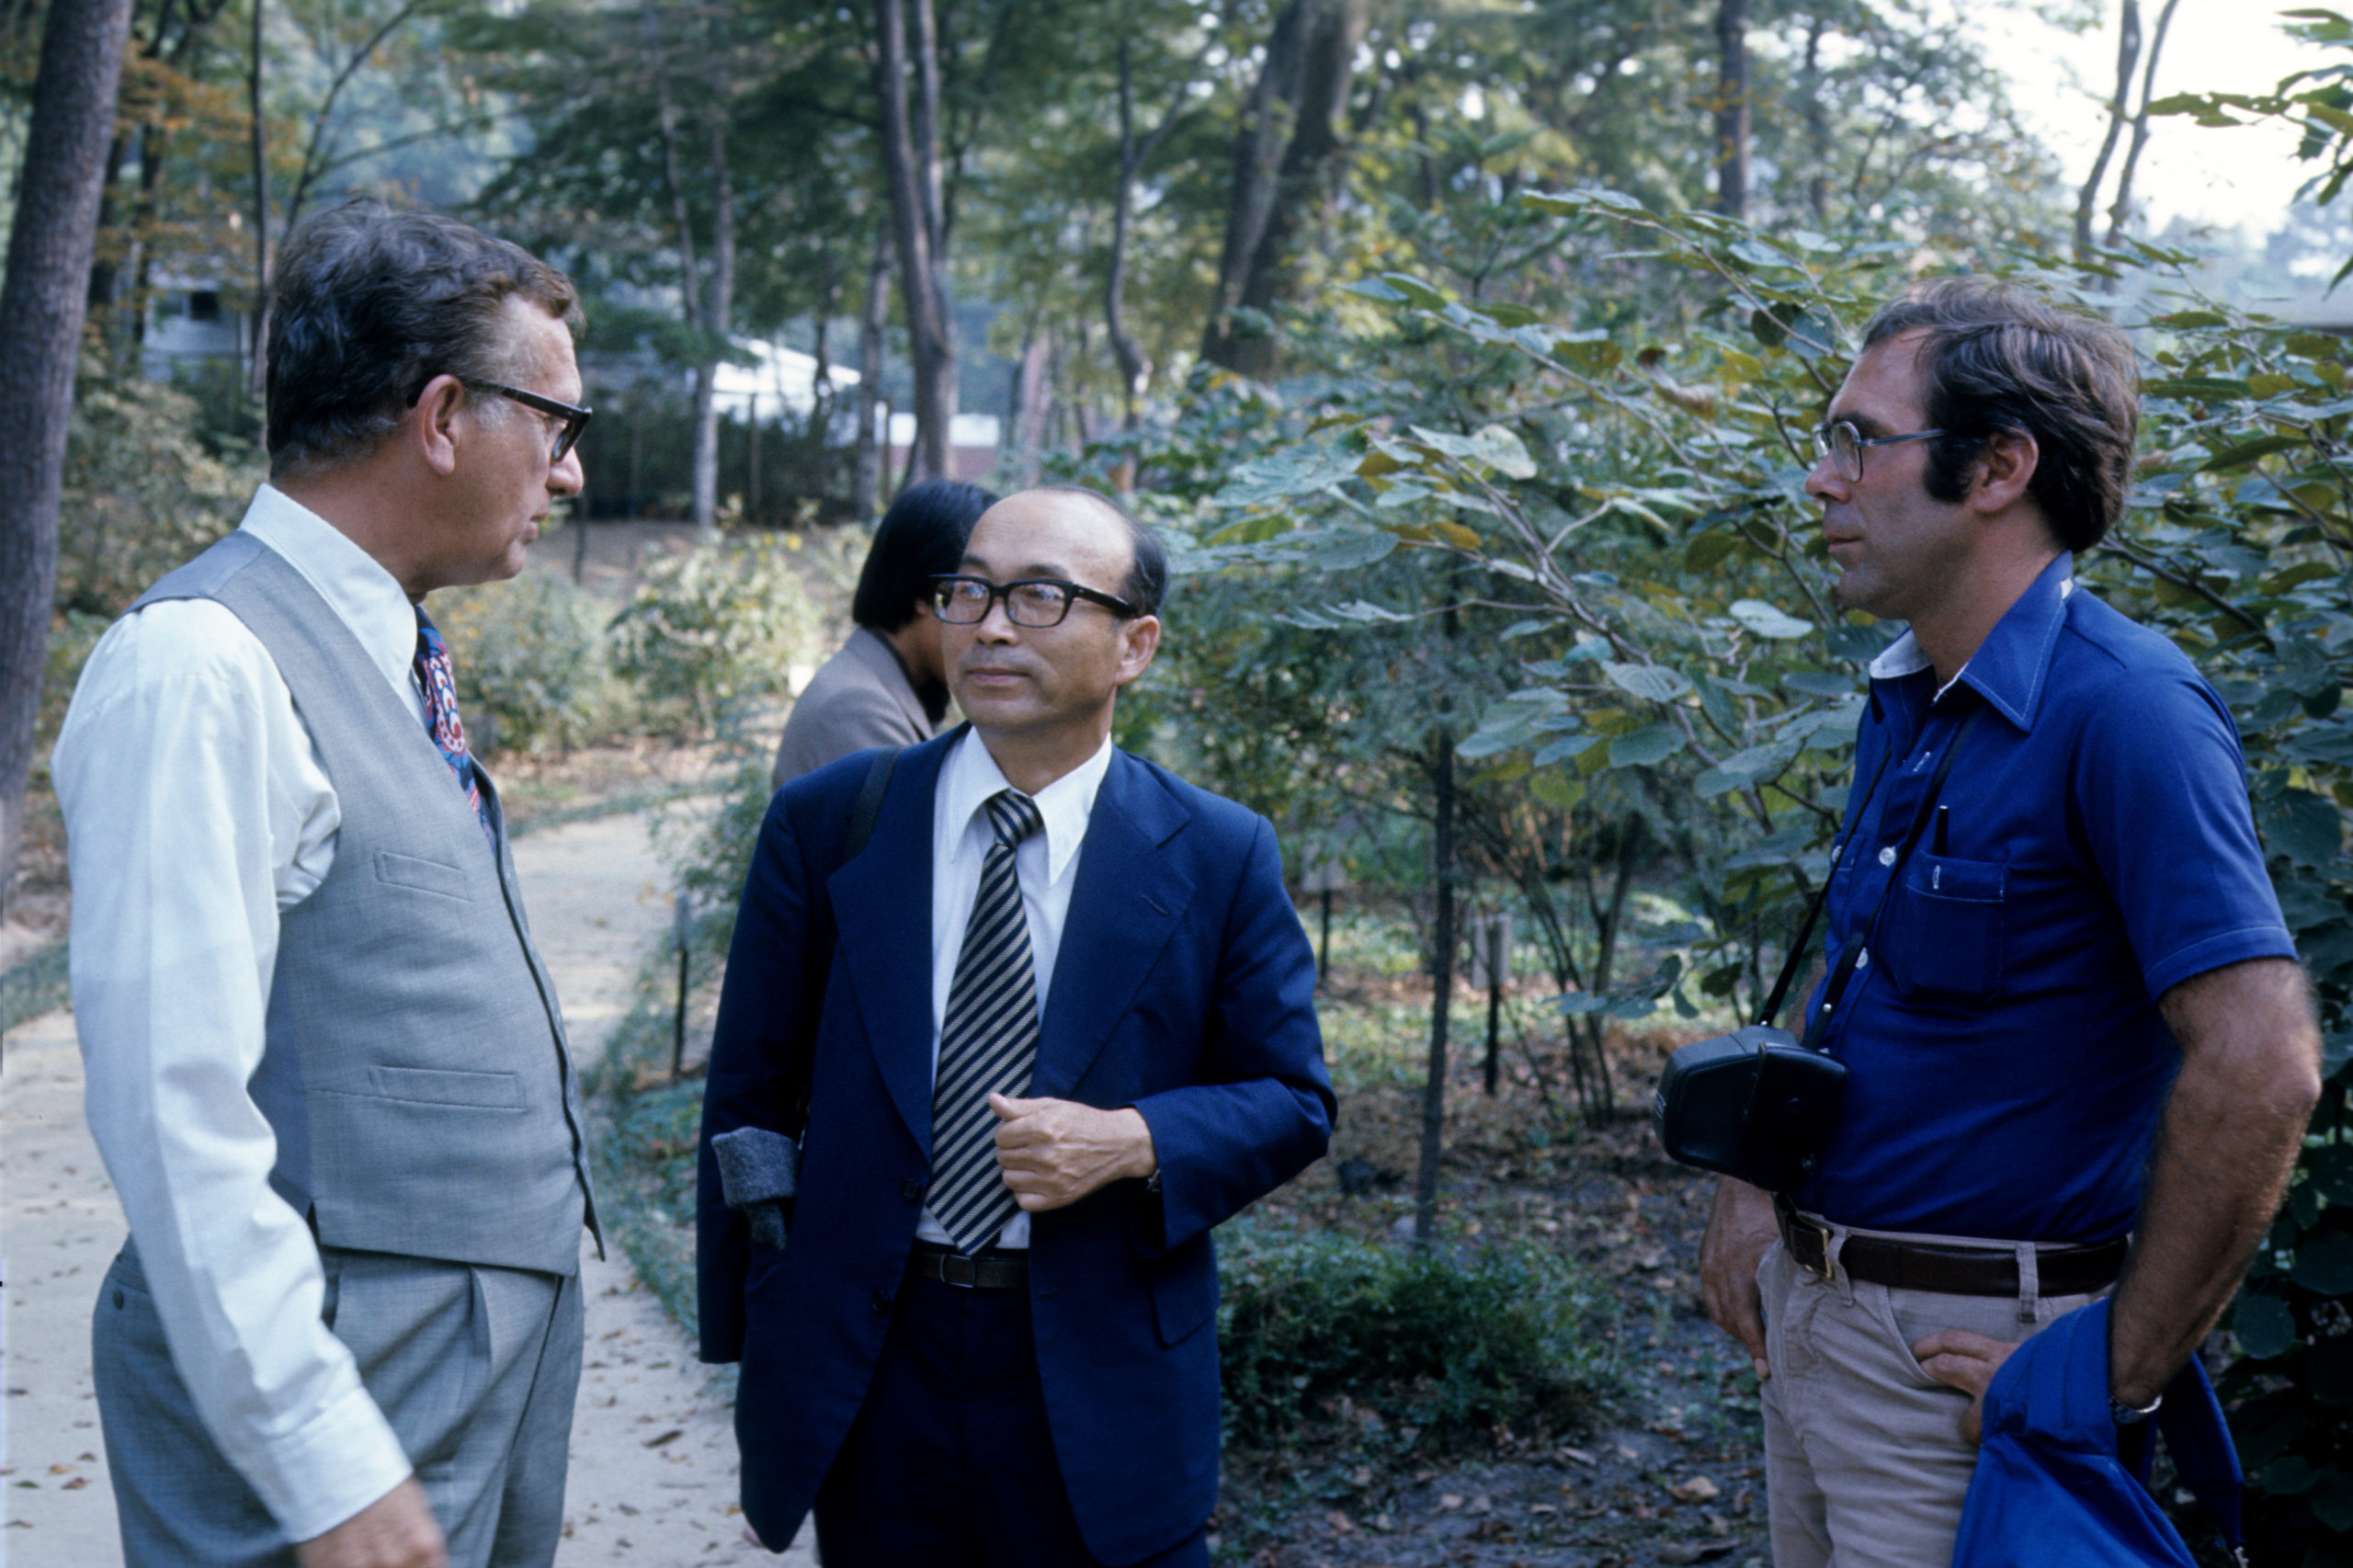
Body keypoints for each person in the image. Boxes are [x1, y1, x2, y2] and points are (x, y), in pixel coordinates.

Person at [1696, 277, 2322, 1567]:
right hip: (1816, 1329)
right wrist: (1759, 1188)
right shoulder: (1915, 692)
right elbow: (1860, 973)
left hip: (1963, 1376)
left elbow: (2262, 1064)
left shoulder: (2128, 711)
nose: (1822, 478)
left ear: (1998, 467)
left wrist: (2112, 1368)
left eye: (1859, 439)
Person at [52, 201, 601, 1568]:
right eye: (557, 422)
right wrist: (321, 1455)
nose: (570, 473)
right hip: (347, 1368)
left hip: (450, 1365)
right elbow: (172, 1107)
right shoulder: (203, 663)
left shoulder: (388, 654)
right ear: (440, 416)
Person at [698, 485, 1334, 1568]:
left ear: (1134, 644)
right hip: (874, 1360)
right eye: (969, 589)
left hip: (1096, 1365)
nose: (990, 624)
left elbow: (1292, 1096)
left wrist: (1133, 1139)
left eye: (1040, 596)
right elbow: (748, 1094)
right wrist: (754, 1332)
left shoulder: (1216, 851)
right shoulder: (836, 821)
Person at [771, 478, 996, 788]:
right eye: (974, 591)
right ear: (926, 593)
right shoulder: (857, 709)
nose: (993, 627)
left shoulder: (875, 686)